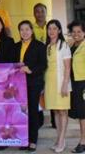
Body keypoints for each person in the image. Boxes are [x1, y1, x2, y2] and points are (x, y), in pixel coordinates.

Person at [13, 20, 47, 152]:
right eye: (21, 30)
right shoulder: (16, 46)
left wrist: (30, 69)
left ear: (32, 31)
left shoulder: (39, 46)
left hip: (33, 83)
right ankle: (24, 139)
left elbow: (43, 65)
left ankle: (33, 140)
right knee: (21, 112)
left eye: (27, 29)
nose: (24, 32)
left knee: (32, 111)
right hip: (18, 84)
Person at [44, 19, 72, 153]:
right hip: (50, 83)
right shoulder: (47, 46)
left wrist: (65, 84)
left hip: (61, 83)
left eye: (54, 28)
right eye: (49, 28)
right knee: (55, 111)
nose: (51, 31)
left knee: (62, 111)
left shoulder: (64, 45)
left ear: (59, 30)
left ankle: (62, 140)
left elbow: (67, 68)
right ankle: (58, 139)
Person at [68, 21, 85, 153]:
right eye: (73, 31)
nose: (76, 34)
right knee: (80, 114)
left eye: (79, 31)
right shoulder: (72, 45)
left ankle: (83, 142)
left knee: (83, 114)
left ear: (84, 33)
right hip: (75, 83)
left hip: (83, 83)